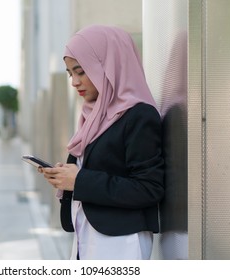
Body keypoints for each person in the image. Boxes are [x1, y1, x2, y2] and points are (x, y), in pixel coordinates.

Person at [39, 25, 164, 260]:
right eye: (70, 74)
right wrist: (65, 177)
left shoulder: (138, 116)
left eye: (80, 71)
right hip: (86, 235)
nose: (74, 82)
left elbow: (149, 188)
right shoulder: (92, 116)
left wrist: (79, 180)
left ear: (108, 65)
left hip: (121, 241)